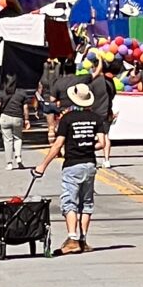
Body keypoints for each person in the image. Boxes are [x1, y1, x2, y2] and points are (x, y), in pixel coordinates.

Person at [35, 79, 101, 254]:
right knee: (86, 203)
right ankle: (83, 239)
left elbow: (57, 145)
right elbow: (101, 143)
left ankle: (72, 238)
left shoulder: (67, 119)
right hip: (90, 164)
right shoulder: (96, 118)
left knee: (70, 202)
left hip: (72, 164)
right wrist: (87, 145)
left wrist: (42, 165)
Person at [0, 69, 30, 169]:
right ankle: (18, 158)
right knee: (18, 138)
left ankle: (9, 163)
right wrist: (27, 119)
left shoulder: (2, 93)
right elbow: (25, 107)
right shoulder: (22, 93)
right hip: (17, 118)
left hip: (5, 118)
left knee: (8, 140)